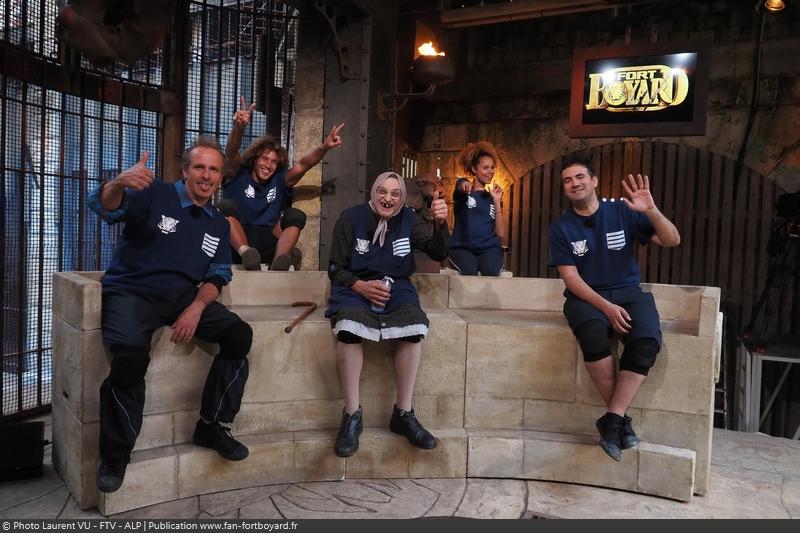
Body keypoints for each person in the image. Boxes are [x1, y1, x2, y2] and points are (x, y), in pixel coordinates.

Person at [88, 137, 253, 493]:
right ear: (185, 170)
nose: (206, 176)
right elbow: (104, 209)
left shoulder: (219, 223)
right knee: (130, 355)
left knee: (240, 336)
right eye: (199, 167)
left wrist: (196, 307)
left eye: (213, 169)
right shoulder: (154, 193)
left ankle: (211, 425)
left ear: (220, 176)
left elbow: (218, 275)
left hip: (182, 297)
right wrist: (117, 183)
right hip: (131, 290)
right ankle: (115, 456)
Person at [548, 154, 680, 461]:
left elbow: (672, 239)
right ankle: (620, 423)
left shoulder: (622, 211)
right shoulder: (561, 227)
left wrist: (652, 210)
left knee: (646, 342)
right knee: (593, 336)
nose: (574, 184)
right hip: (586, 298)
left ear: (593, 181)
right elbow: (571, 278)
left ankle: (612, 419)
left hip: (629, 292)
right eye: (567, 180)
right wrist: (607, 308)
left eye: (579, 177)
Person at [325, 171, 450, 457]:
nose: (388, 198)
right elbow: (335, 268)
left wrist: (441, 224)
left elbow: (438, 251)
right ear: (373, 192)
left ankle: (403, 414)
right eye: (382, 191)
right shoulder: (350, 219)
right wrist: (360, 286)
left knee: (413, 326)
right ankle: (352, 415)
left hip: (396, 289)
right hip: (356, 288)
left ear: (402, 198)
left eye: (395, 193)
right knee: (349, 329)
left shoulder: (409, 220)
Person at [218, 96, 344, 270]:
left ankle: (279, 262)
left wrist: (324, 147)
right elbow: (231, 151)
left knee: (295, 215)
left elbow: (304, 165)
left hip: (268, 240)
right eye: (264, 159)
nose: (268, 165)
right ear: (255, 159)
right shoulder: (237, 173)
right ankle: (247, 252)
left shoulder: (279, 179)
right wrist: (239, 127)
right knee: (224, 206)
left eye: (274, 162)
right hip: (236, 244)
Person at [449, 141, 506, 276]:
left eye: (492, 168)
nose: (490, 171)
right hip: (463, 248)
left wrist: (497, 202)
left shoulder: (492, 197)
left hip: (488, 248)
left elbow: (501, 233)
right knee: (469, 271)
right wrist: (464, 185)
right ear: (474, 169)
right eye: (486, 168)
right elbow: (460, 185)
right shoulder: (464, 191)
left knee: (492, 271)